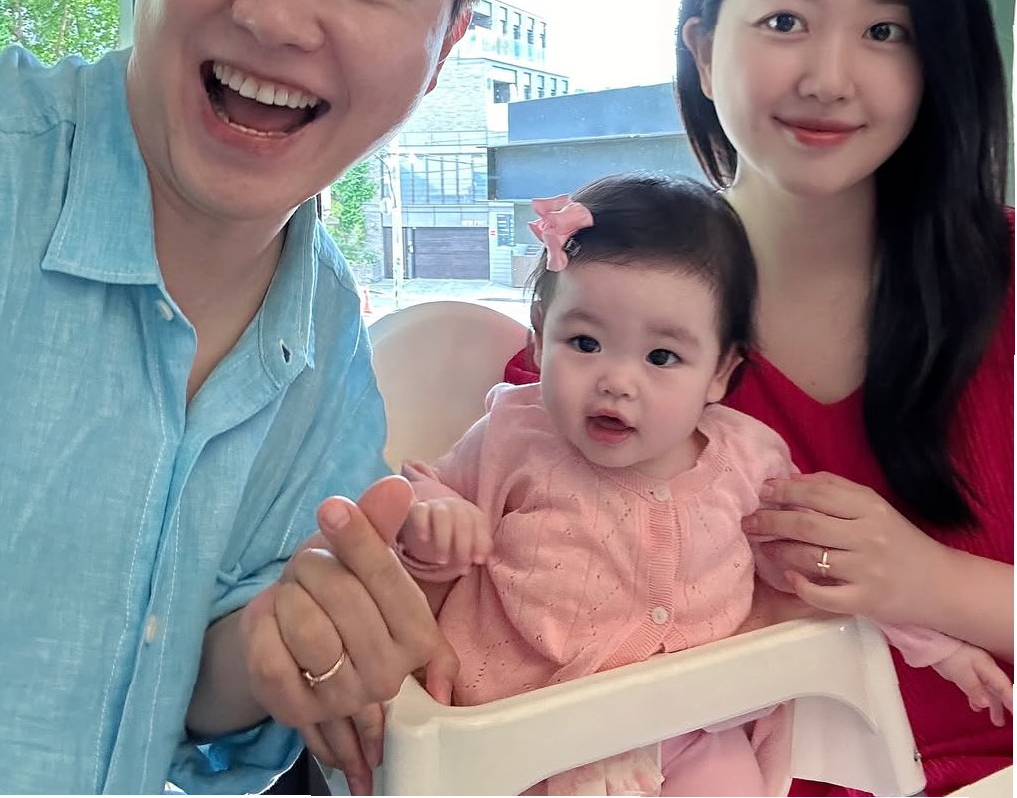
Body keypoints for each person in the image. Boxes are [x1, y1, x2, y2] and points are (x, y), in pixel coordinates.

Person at [0, 0, 515, 795]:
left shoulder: (326, 346)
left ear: (444, 52)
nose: (279, 15)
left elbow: (172, 683)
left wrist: (265, 652)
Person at [394, 175, 1010, 796]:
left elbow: (827, 569)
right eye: (584, 343)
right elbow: (418, 492)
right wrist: (433, 515)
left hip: (695, 732)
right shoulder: (512, 432)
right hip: (526, 742)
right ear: (538, 336)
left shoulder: (749, 462)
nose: (617, 381)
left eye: (661, 357)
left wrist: (940, 649)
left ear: (720, 371)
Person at [672, 0, 1013, 796]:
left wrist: (925, 578)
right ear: (704, 50)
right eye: (784, 20)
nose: (830, 76)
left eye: (886, 32)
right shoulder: (614, 300)